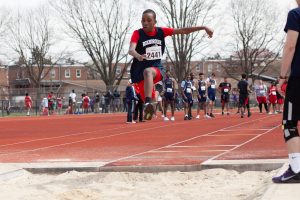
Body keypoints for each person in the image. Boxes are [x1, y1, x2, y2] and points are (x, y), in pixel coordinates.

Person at [128, 9, 213, 120]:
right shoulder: (137, 33)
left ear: (154, 22)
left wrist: (204, 27)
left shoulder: (161, 32)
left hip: (155, 68)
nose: (145, 23)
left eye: (149, 20)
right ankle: (151, 104)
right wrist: (139, 56)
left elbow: (183, 31)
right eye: (143, 20)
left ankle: (148, 103)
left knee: (148, 71)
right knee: (151, 103)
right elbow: (131, 50)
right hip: (138, 72)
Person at [273, 1, 300, 183]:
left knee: (289, 123)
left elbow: (290, 46)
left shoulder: (296, 14)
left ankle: (297, 169)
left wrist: (282, 76)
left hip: (299, 78)